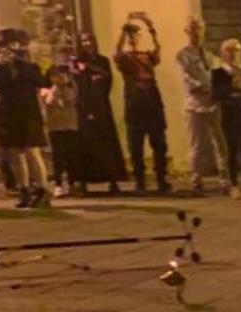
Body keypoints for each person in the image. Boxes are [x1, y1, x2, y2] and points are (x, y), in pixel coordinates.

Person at [0, 30, 50, 208]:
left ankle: (42, 190)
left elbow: (40, 81)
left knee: (32, 151)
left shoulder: (29, 65)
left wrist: (18, 63)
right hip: (8, 112)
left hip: (27, 112)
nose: (5, 50)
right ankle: (23, 189)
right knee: (14, 153)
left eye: (8, 45)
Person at [113, 11, 171, 194]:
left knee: (159, 145)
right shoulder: (125, 59)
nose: (132, 38)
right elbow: (117, 51)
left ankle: (162, 179)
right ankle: (140, 181)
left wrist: (150, 25)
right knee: (136, 147)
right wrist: (126, 26)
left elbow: (158, 48)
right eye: (130, 35)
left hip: (153, 105)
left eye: (134, 34)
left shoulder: (147, 56)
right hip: (134, 106)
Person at [68, 32, 125, 196]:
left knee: (106, 143)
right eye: (83, 41)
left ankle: (112, 180)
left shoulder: (103, 61)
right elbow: (78, 82)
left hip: (101, 106)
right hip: (84, 107)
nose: (87, 43)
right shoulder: (75, 62)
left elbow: (107, 80)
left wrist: (92, 72)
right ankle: (84, 182)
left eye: (89, 40)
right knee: (85, 144)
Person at [176, 16, 224, 196]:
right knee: (197, 144)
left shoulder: (210, 55)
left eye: (200, 29)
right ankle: (197, 179)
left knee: (220, 142)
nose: (197, 33)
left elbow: (218, 75)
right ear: (187, 32)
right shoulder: (183, 55)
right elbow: (187, 80)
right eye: (193, 29)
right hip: (195, 106)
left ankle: (224, 177)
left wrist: (219, 91)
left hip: (213, 104)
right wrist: (205, 88)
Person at [212, 38, 241, 196]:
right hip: (229, 114)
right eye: (229, 50)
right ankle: (234, 185)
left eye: (236, 50)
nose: (233, 54)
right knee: (232, 149)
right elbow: (216, 94)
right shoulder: (218, 73)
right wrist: (231, 84)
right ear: (222, 53)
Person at [41, 61, 84, 197]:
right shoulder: (46, 90)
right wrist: (55, 87)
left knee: (72, 155)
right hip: (55, 127)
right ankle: (58, 184)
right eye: (54, 75)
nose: (58, 78)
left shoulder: (71, 87)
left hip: (70, 124)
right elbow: (50, 101)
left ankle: (73, 183)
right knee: (58, 157)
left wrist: (66, 84)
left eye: (60, 75)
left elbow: (71, 99)